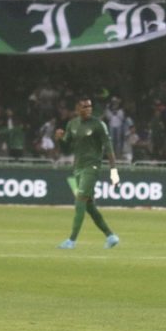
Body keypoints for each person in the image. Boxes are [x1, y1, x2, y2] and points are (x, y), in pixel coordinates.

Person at [54, 97, 120, 250]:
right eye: (84, 107)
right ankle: (111, 236)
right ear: (77, 109)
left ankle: (71, 241)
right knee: (89, 206)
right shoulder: (73, 124)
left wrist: (114, 172)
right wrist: (59, 139)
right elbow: (66, 149)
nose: (88, 109)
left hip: (92, 167)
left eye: (90, 106)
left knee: (80, 199)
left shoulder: (98, 124)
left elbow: (108, 148)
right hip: (78, 167)